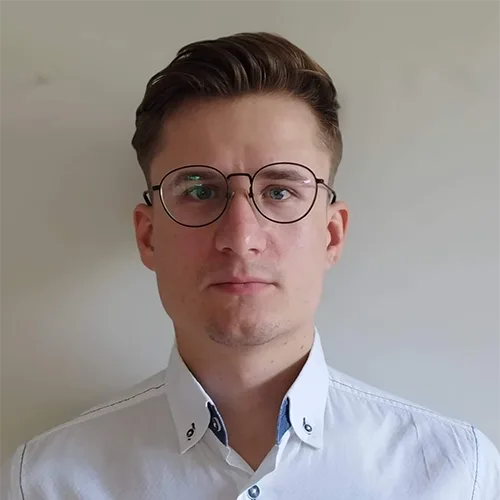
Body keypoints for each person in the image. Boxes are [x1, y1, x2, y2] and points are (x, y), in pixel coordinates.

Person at [1, 31, 499, 499]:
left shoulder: (456, 474)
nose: (240, 239)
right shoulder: (46, 482)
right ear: (148, 235)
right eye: (200, 190)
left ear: (331, 234)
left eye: (280, 191)